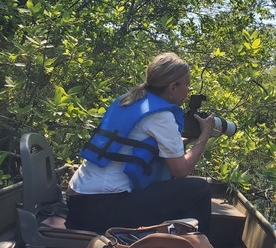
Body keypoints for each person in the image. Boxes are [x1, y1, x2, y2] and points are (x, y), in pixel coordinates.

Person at [65, 52, 215, 235]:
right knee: (199, 190)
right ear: (173, 87)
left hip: (78, 202)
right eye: (186, 85)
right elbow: (181, 170)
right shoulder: (161, 116)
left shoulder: (128, 100)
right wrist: (204, 135)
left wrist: (188, 139)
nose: (188, 90)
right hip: (100, 209)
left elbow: (137, 144)